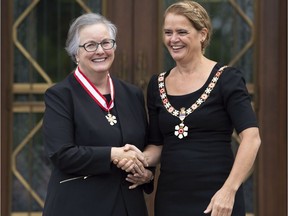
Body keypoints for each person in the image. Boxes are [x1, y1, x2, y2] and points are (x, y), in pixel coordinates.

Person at [116, 1, 261, 216]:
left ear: (202, 34)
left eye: (182, 32)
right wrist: (139, 160)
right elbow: (157, 144)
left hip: (218, 197)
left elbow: (252, 138)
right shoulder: (157, 85)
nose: (173, 39)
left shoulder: (226, 79)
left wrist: (229, 190)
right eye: (168, 32)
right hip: (171, 198)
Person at [42, 13, 153, 216]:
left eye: (106, 43)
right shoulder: (60, 95)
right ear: (75, 53)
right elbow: (61, 154)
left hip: (128, 206)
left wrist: (146, 174)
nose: (100, 51)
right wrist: (113, 154)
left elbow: (143, 148)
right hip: (79, 206)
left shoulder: (132, 94)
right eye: (90, 45)